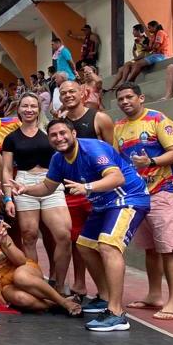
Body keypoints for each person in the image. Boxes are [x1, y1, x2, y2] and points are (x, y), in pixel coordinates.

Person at [9, 119, 150, 332]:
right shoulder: (58, 159)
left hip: (127, 197)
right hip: (103, 203)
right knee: (84, 245)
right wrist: (25, 189)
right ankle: (103, 297)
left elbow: (117, 177)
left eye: (63, 133)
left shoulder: (92, 149)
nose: (59, 138)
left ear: (73, 133)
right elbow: (47, 187)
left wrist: (87, 187)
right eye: (54, 135)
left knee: (108, 246)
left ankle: (117, 313)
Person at [113, 83, 173, 320]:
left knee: (169, 249)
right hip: (138, 195)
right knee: (150, 249)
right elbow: (118, 161)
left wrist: (151, 162)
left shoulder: (158, 120)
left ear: (140, 98)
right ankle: (154, 295)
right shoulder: (119, 127)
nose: (125, 102)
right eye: (121, 99)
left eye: (129, 97)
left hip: (163, 190)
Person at [1, 93, 72, 289]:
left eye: (33, 106)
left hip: (51, 181)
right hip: (23, 183)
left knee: (63, 235)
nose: (29, 109)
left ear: (39, 109)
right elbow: (6, 169)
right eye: (25, 106)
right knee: (29, 235)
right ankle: (36, 281)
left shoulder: (50, 133)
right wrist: (8, 198)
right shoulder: (11, 138)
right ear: (19, 109)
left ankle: (59, 282)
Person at [0, 208, 80, 315]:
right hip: (0, 284)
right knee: (20, 298)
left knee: (20, 277)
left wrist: (5, 243)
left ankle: (63, 301)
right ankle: (54, 305)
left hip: (21, 269)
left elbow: (20, 261)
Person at [58, 79, 113, 300]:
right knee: (77, 240)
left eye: (72, 91)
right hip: (71, 191)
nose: (68, 95)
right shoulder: (60, 123)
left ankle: (107, 292)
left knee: (103, 243)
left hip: (98, 192)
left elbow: (113, 155)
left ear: (83, 92)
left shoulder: (100, 119)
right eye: (64, 93)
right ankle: (79, 285)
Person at [107, 24, 154, 89]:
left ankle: (123, 82)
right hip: (138, 58)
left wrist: (136, 59)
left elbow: (145, 52)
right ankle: (111, 87)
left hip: (144, 58)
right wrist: (135, 58)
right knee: (120, 69)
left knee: (127, 64)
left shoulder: (146, 39)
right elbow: (133, 50)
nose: (132, 32)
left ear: (139, 31)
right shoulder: (136, 40)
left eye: (134, 30)